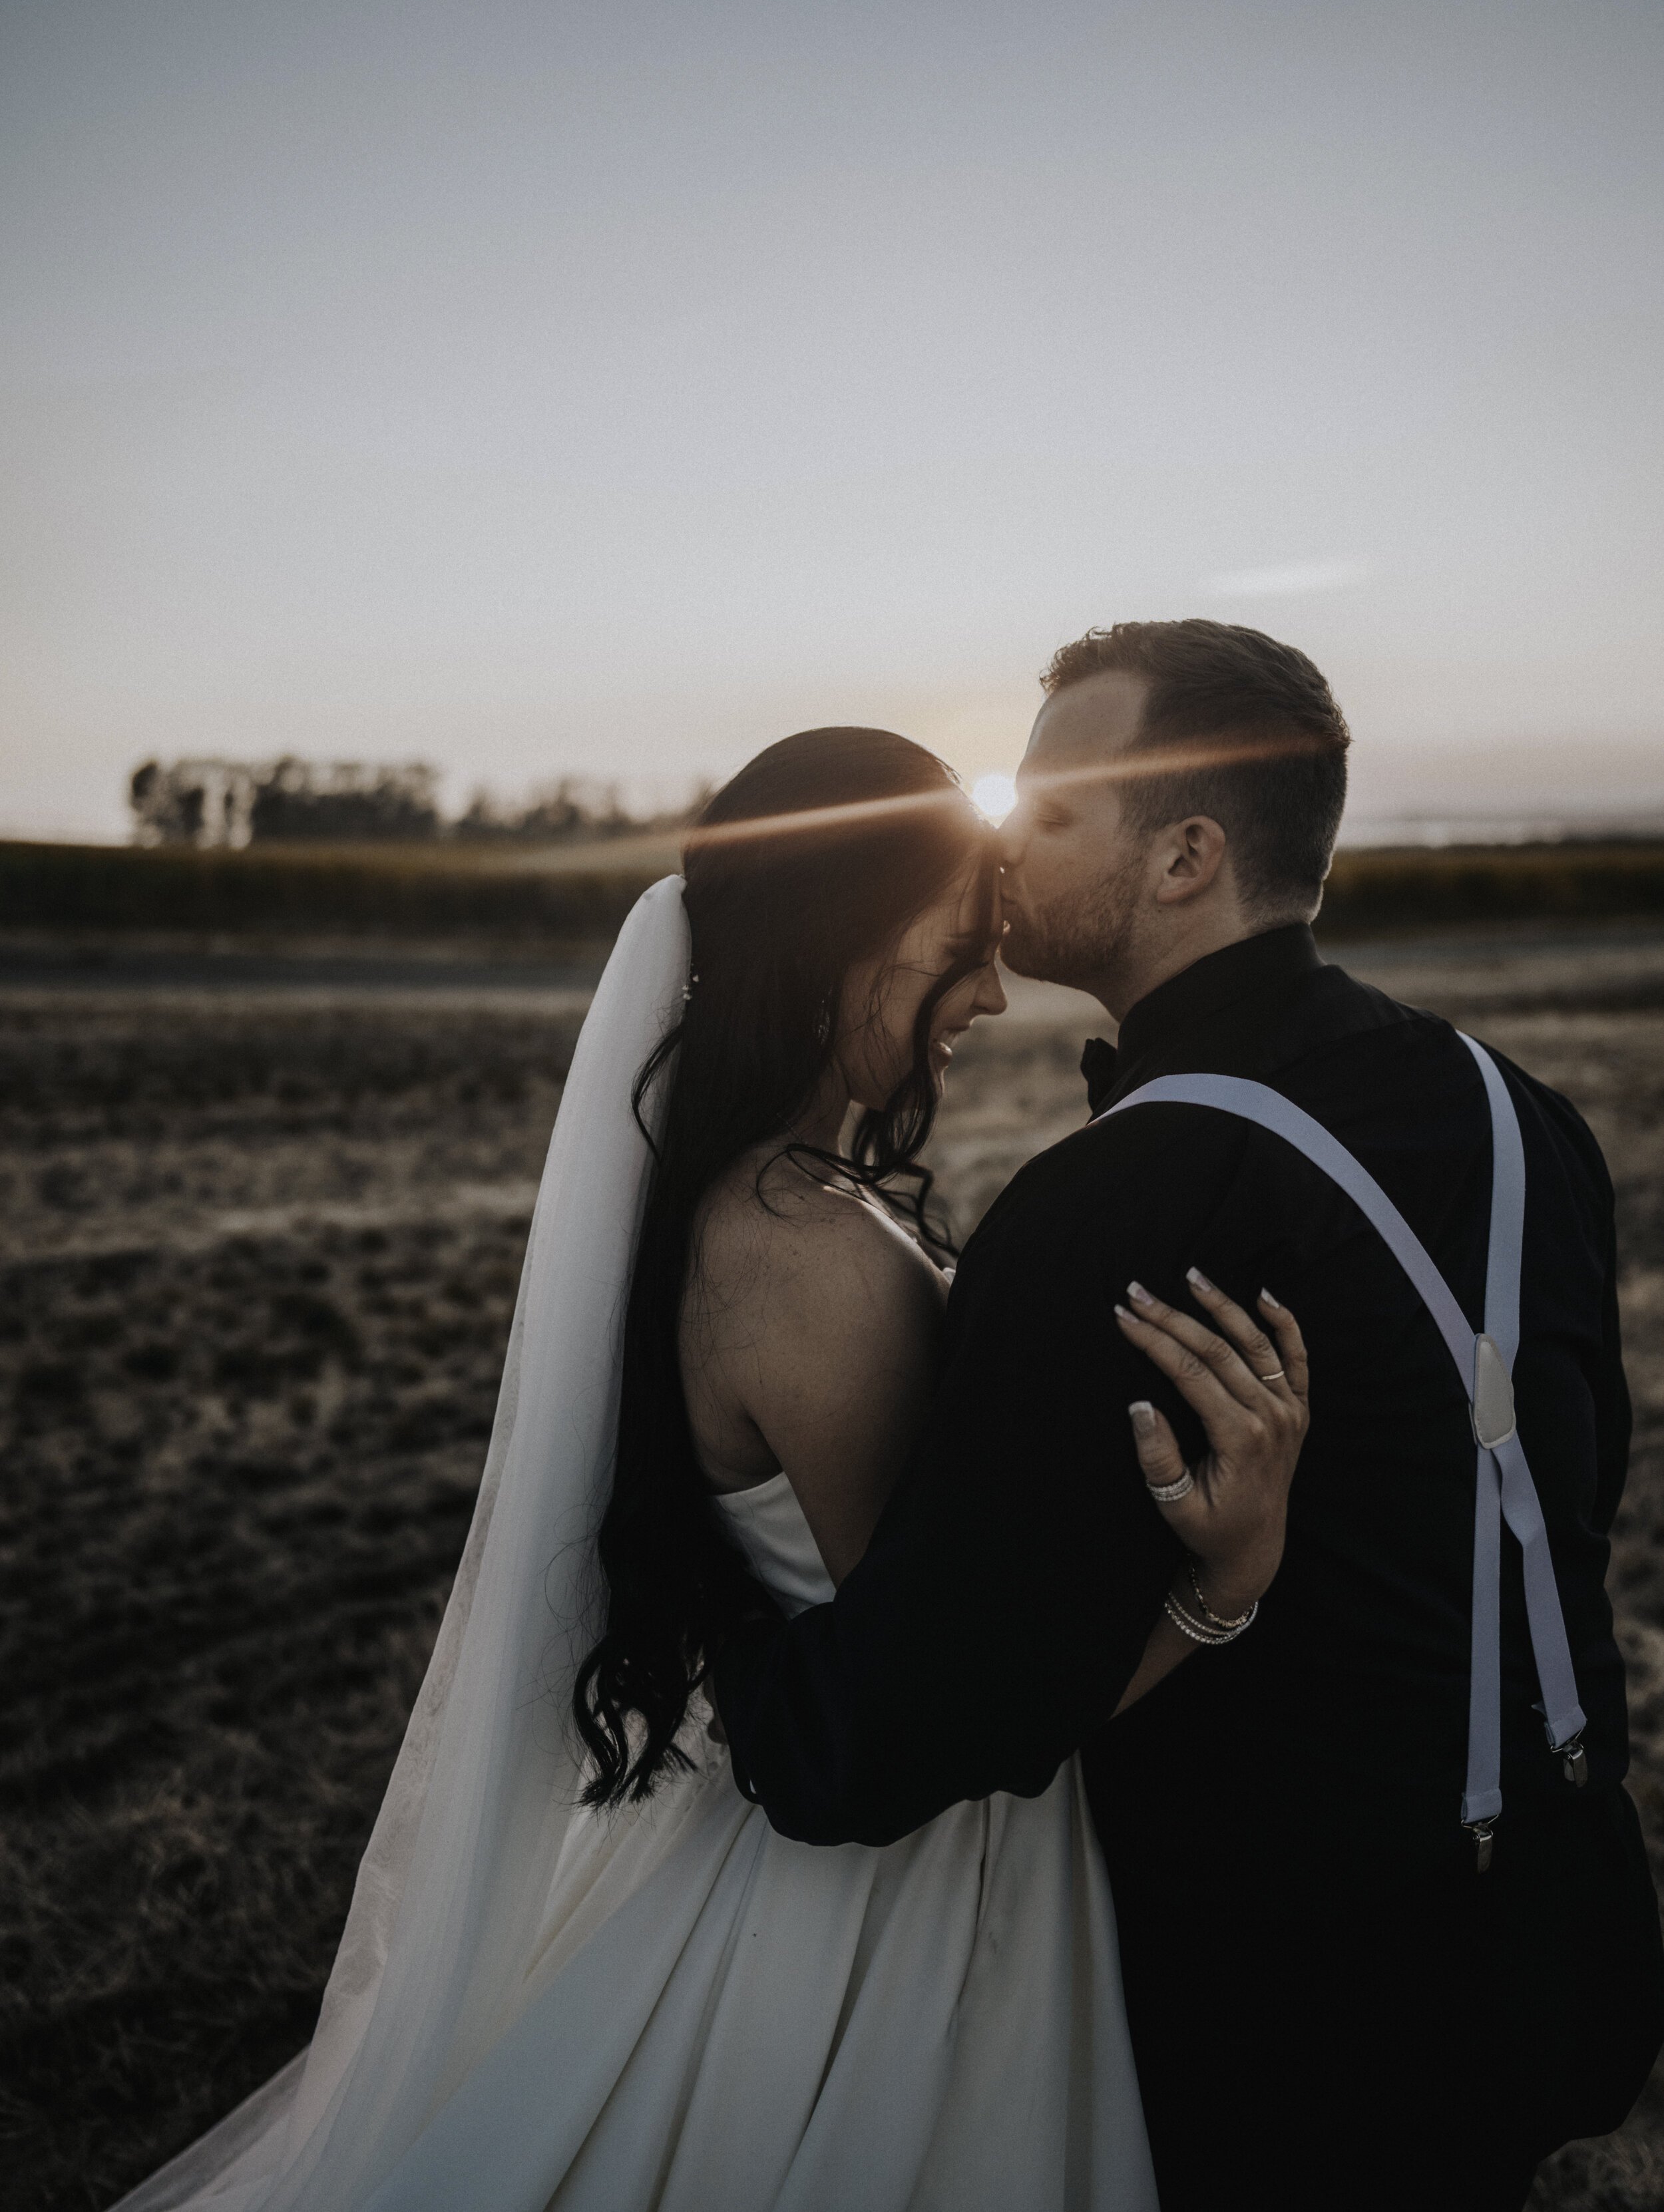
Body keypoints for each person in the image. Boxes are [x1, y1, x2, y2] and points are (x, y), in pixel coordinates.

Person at [111, 724, 1309, 2212]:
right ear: (834, 943)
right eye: (957, 947)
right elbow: (946, 1688)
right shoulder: (802, 1253)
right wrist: (1219, 1586)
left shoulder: (780, 1202)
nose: (992, 992)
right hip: (893, 1903)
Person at [716, 622, 1664, 2212]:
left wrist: (692, 1615)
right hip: (1560, 1940)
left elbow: (913, 1718)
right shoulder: (1526, 1114)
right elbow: (1573, 1488)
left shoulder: (1111, 1209)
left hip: (1289, 2012)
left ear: (1186, 854)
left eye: (1053, 807)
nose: (1006, 835)